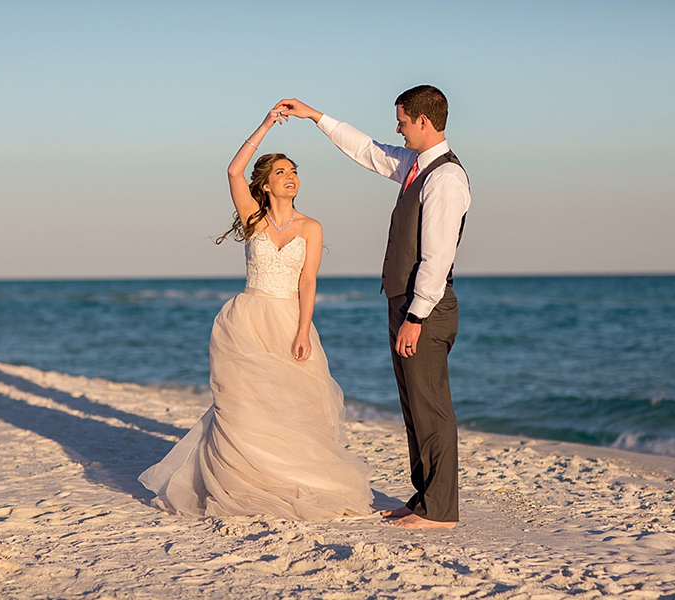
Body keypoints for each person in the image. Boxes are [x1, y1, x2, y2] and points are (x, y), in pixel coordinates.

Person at [138, 106, 373, 520]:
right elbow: (232, 171)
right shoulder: (253, 218)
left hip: (289, 321)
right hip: (245, 321)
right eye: (281, 172)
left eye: (294, 171)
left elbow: (308, 282)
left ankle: (290, 477)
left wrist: (304, 330)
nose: (291, 176)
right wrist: (266, 125)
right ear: (265, 185)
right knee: (244, 407)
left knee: (292, 405)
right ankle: (241, 480)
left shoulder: (312, 227)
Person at [277, 86, 470, 529]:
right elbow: (366, 149)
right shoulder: (413, 166)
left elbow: (436, 259)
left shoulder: (445, 178)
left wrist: (416, 317)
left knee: (432, 406)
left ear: (423, 121)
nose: (397, 128)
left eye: (401, 121)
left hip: (424, 309)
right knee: (413, 406)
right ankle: (424, 499)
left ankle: (441, 511)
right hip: (403, 303)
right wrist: (314, 116)